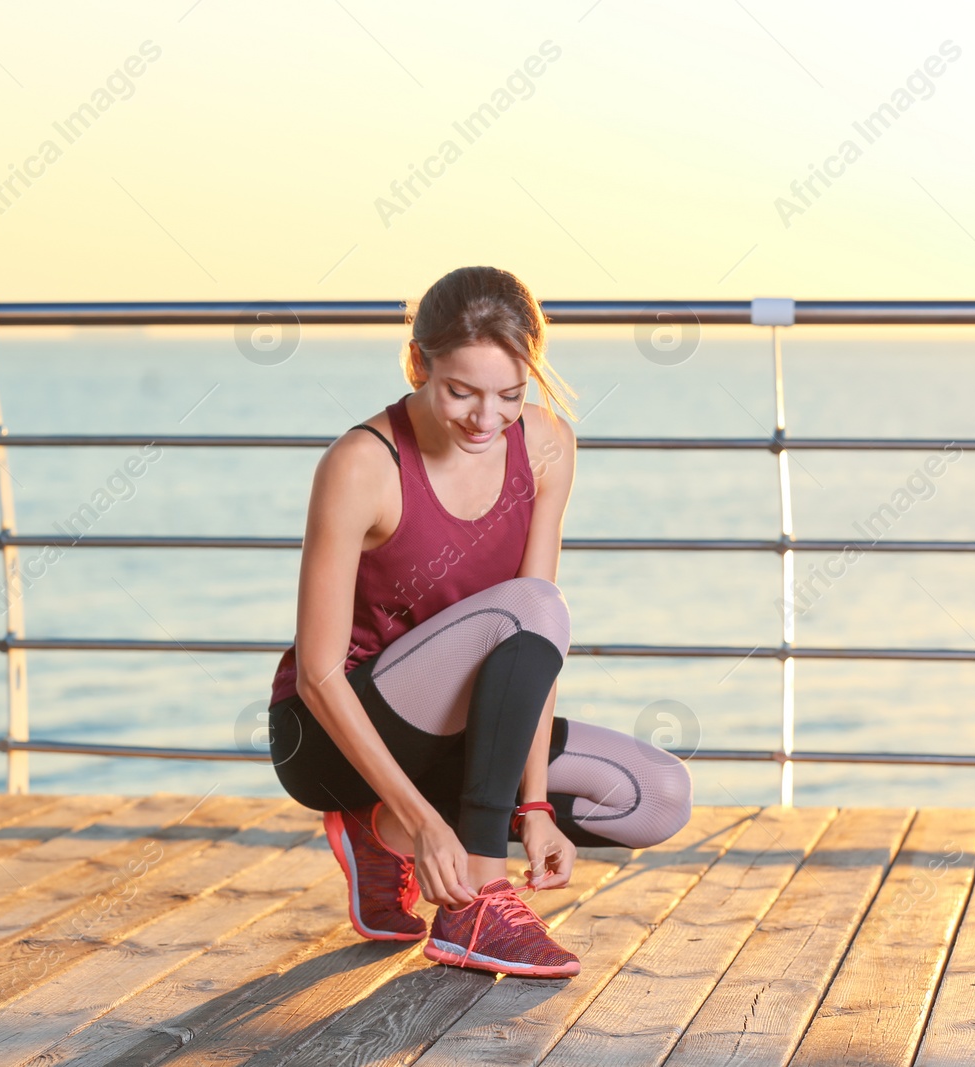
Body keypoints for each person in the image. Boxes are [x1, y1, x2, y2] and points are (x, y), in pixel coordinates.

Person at [265, 266, 692, 979]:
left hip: (463, 734)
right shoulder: (362, 463)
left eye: (510, 394)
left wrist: (533, 806)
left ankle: (383, 836)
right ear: (417, 364)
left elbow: (536, 643)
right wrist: (438, 824)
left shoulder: (549, 445)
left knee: (658, 797)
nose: (486, 419)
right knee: (534, 602)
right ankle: (476, 900)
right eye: (461, 391)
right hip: (330, 736)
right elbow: (316, 673)